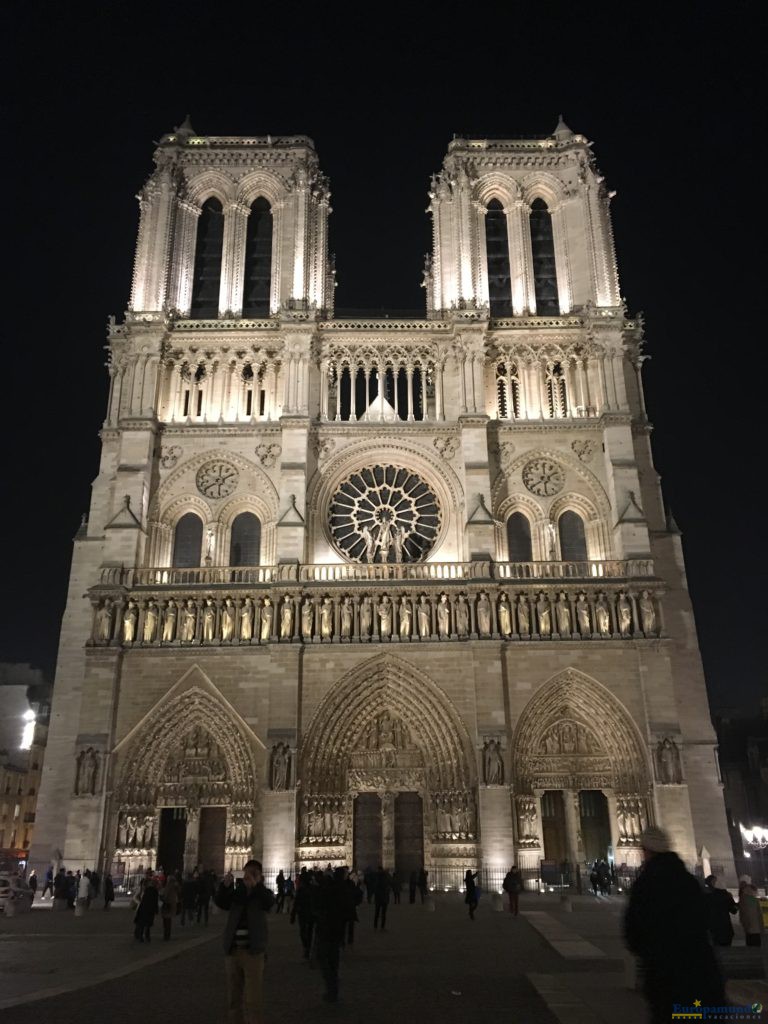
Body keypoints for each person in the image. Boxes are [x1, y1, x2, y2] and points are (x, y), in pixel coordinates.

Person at [624, 827, 724, 1024]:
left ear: (647, 851)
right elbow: (706, 920)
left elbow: (633, 934)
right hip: (701, 969)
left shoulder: (646, 884)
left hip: (666, 974)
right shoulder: (689, 881)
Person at [215, 861, 275, 1024]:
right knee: (233, 999)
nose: (248, 876)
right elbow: (221, 902)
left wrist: (257, 886)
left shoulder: (262, 893)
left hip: (253, 952)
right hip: (233, 951)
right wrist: (225, 886)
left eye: (253, 873)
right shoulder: (237, 893)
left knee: (253, 999)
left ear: (260, 876)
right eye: (246, 872)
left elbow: (270, 902)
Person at [314, 867, 355, 1003]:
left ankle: (332, 988)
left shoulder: (328, 891)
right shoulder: (343, 889)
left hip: (327, 930)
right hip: (336, 930)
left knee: (326, 961)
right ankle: (333, 988)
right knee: (332, 961)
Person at [704, 874, 737, 946]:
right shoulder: (725, 895)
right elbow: (734, 910)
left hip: (712, 929)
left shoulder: (705, 896)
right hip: (725, 929)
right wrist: (738, 905)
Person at [290, 868, 315, 959]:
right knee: (309, 931)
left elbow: (296, 903)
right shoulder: (313, 889)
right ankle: (308, 946)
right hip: (310, 913)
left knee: (303, 931)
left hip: (303, 913)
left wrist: (293, 915)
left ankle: (306, 946)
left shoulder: (301, 890)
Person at [738, 876, 765, 947]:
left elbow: (744, 914)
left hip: (750, 927)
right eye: (755, 891)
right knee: (755, 944)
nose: (756, 892)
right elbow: (756, 914)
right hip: (754, 928)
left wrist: (745, 925)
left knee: (750, 943)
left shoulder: (744, 899)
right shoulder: (751, 899)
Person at [134, 874, 159, 943]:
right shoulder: (154, 891)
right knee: (147, 924)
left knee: (142, 923)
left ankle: (141, 936)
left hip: (143, 908)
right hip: (149, 909)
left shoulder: (146, 890)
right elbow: (155, 901)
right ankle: (146, 937)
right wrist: (156, 909)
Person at [161, 871, 180, 940]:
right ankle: (168, 934)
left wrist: (162, 897)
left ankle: (166, 935)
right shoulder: (176, 886)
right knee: (169, 920)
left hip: (167, 904)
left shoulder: (169, 886)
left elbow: (165, 896)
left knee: (166, 920)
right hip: (173, 904)